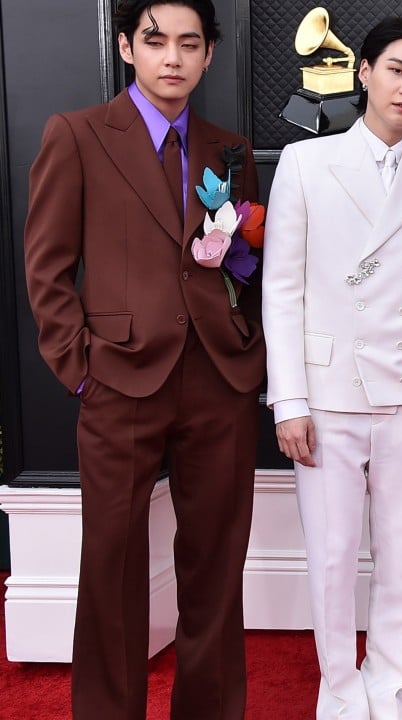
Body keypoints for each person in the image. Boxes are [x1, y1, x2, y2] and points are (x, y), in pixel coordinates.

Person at [23, 1, 262, 717]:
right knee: (112, 565)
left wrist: (246, 349)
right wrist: (81, 369)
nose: (173, 58)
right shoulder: (78, 135)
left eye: (190, 44)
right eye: (156, 42)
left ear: (210, 54)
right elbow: (47, 268)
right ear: (127, 46)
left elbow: (247, 264)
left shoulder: (231, 150)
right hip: (118, 378)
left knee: (217, 563)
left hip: (219, 379)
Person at [262, 16, 402, 720]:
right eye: (396, 69)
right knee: (332, 553)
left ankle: (387, 680)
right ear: (365, 72)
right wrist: (289, 400)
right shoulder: (306, 163)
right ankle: (339, 686)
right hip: (327, 393)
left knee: (400, 553)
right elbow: (282, 289)